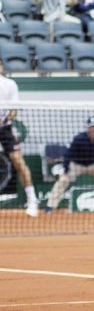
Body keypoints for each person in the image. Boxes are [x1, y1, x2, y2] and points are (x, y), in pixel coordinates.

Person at [44, 117, 94, 214]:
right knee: (63, 179)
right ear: (87, 128)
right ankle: (50, 206)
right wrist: (66, 170)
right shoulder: (79, 138)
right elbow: (69, 154)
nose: (92, 129)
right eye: (90, 127)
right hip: (77, 165)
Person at [0, 60, 37, 216]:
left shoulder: (10, 84)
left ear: (2, 67)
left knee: (19, 162)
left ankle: (32, 201)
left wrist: (3, 120)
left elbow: (14, 109)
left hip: (5, 128)